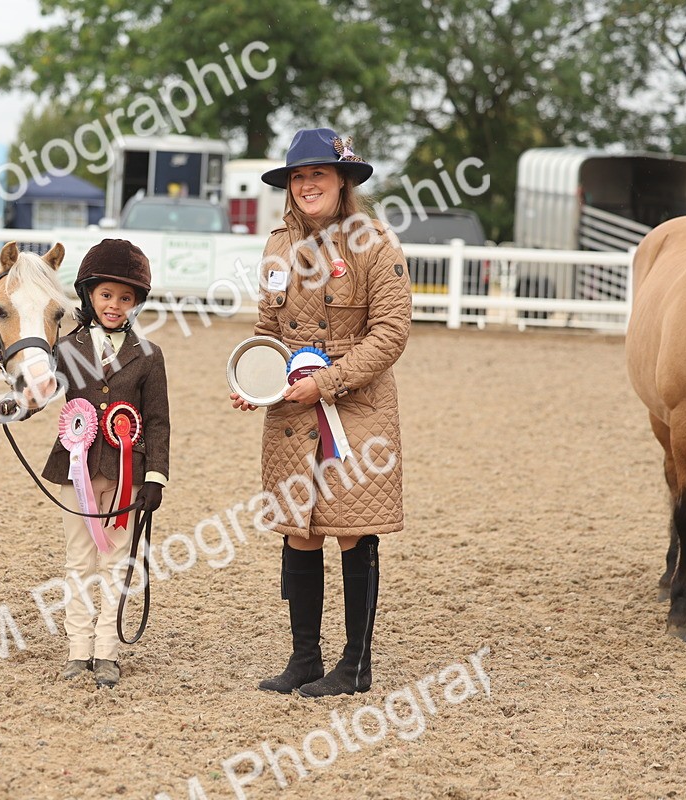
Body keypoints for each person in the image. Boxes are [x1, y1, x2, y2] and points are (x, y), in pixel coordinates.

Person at [231, 128, 412, 698]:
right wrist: (255, 381)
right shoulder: (277, 246)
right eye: (298, 177)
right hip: (290, 411)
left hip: (356, 410)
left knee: (352, 532)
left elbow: (391, 332)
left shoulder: (376, 243)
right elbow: (267, 330)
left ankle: (356, 664)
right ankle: (305, 657)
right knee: (299, 531)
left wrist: (327, 383)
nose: (307, 185)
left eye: (319, 175)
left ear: (342, 182)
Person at [0, 239, 170, 688]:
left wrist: (155, 477)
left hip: (126, 470)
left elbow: (157, 420)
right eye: (107, 295)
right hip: (75, 468)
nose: (115, 305)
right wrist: (18, 407)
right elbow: (45, 389)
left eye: (125, 298)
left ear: (136, 303)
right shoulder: (67, 347)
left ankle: (107, 651)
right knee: (78, 560)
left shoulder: (149, 355)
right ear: (89, 295)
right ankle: (78, 649)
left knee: (115, 560)